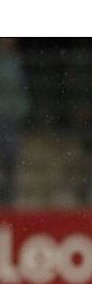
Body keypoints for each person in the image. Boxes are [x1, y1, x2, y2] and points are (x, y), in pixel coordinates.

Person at [0, 38, 30, 206]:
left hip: (12, 118)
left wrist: (22, 111)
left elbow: (21, 91)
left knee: (10, 162)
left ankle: (7, 200)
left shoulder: (15, 62)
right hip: (3, 117)